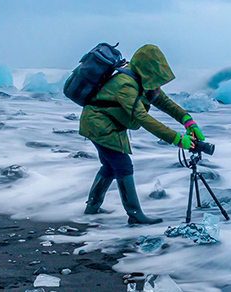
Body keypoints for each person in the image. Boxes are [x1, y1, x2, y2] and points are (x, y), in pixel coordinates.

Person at [78, 44, 206, 225]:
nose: (157, 85)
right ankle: (135, 214)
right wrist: (177, 139)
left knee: (109, 166)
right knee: (123, 166)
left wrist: (188, 121)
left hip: (107, 125)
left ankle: (92, 207)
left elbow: (166, 103)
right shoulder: (126, 85)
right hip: (98, 125)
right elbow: (142, 117)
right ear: (147, 70)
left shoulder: (141, 80)